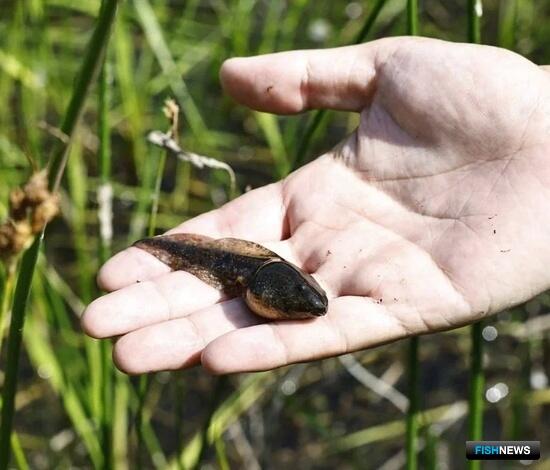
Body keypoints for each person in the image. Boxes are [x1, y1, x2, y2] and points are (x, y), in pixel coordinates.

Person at [81, 37, 550, 375]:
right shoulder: (255, 276)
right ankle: (160, 248)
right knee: (193, 261)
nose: (310, 303)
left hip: (259, 269)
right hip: (251, 268)